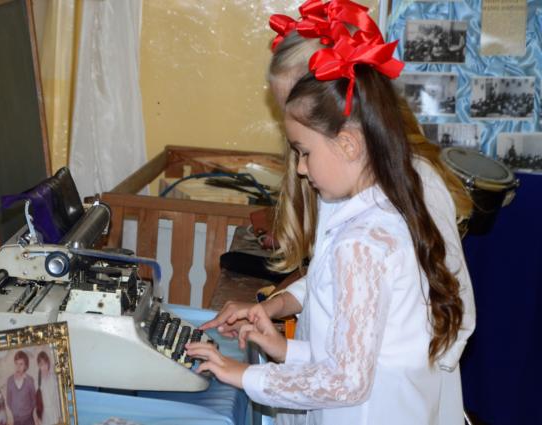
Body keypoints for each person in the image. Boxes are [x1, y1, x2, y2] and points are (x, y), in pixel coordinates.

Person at [189, 5, 469, 423]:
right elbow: (356, 352)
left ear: (346, 135)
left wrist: (244, 374)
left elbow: (350, 379)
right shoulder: (370, 207)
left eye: (304, 150)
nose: (300, 167)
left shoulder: (370, 229)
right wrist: (285, 347)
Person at [6, 350, 36, 425]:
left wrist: (28, 412)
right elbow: (9, 400)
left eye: (21, 364)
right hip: (16, 420)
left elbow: (34, 400)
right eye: (16, 364)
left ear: (25, 366)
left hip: (28, 419)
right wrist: (15, 412)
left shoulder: (29, 380)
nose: (18, 367)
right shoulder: (10, 381)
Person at [35, 350, 62, 425]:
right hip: (44, 415)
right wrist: (37, 417)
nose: (44, 367)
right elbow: (36, 402)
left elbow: (57, 398)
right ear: (38, 366)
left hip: (54, 413)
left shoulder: (54, 378)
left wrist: (59, 415)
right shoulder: (37, 382)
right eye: (41, 364)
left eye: (45, 363)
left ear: (48, 363)